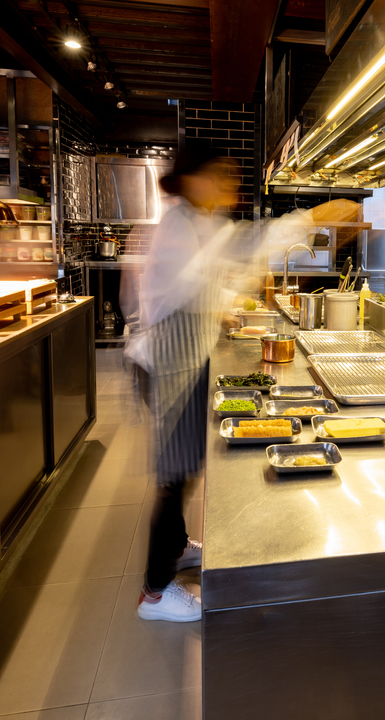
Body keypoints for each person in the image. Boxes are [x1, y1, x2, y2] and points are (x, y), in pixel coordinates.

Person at [126, 140, 241, 623]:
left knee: (186, 467)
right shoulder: (179, 226)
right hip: (167, 362)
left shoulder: (193, 221)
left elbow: (202, 283)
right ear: (194, 179)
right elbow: (191, 283)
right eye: (221, 176)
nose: (229, 187)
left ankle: (177, 547)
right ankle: (154, 593)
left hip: (183, 359)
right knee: (174, 477)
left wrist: (223, 306)